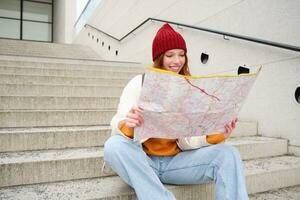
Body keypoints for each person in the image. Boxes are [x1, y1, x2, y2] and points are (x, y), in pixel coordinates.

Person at [104, 23, 249, 200]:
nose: (177, 61)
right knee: (113, 146)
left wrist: (217, 134)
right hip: (142, 162)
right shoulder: (139, 83)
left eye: (181, 55)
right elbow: (115, 124)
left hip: (177, 163)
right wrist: (129, 124)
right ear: (159, 58)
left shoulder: (189, 87)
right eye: (170, 55)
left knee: (228, 154)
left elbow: (186, 142)